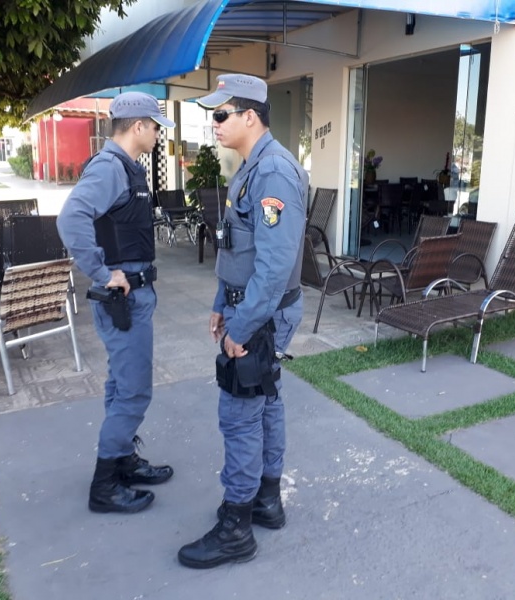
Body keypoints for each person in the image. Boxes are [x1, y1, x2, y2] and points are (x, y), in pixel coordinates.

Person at [177, 74, 308, 569]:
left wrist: (241, 327)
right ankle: (266, 501)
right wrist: (219, 300)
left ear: (249, 115)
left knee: (240, 414)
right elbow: (241, 249)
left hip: (261, 312)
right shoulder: (253, 166)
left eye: (220, 114)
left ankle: (236, 527)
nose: (213, 124)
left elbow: (273, 270)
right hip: (249, 305)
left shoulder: (272, 172)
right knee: (266, 400)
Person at [56, 91, 175, 514]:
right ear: (139, 126)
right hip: (122, 297)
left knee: (120, 384)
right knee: (133, 391)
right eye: (157, 125)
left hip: (133, 295)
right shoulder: (111, 167)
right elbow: (71, 219)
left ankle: (122, 459)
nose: (160, 133)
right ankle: (105, 487)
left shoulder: (123, 167)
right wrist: (104, 272)